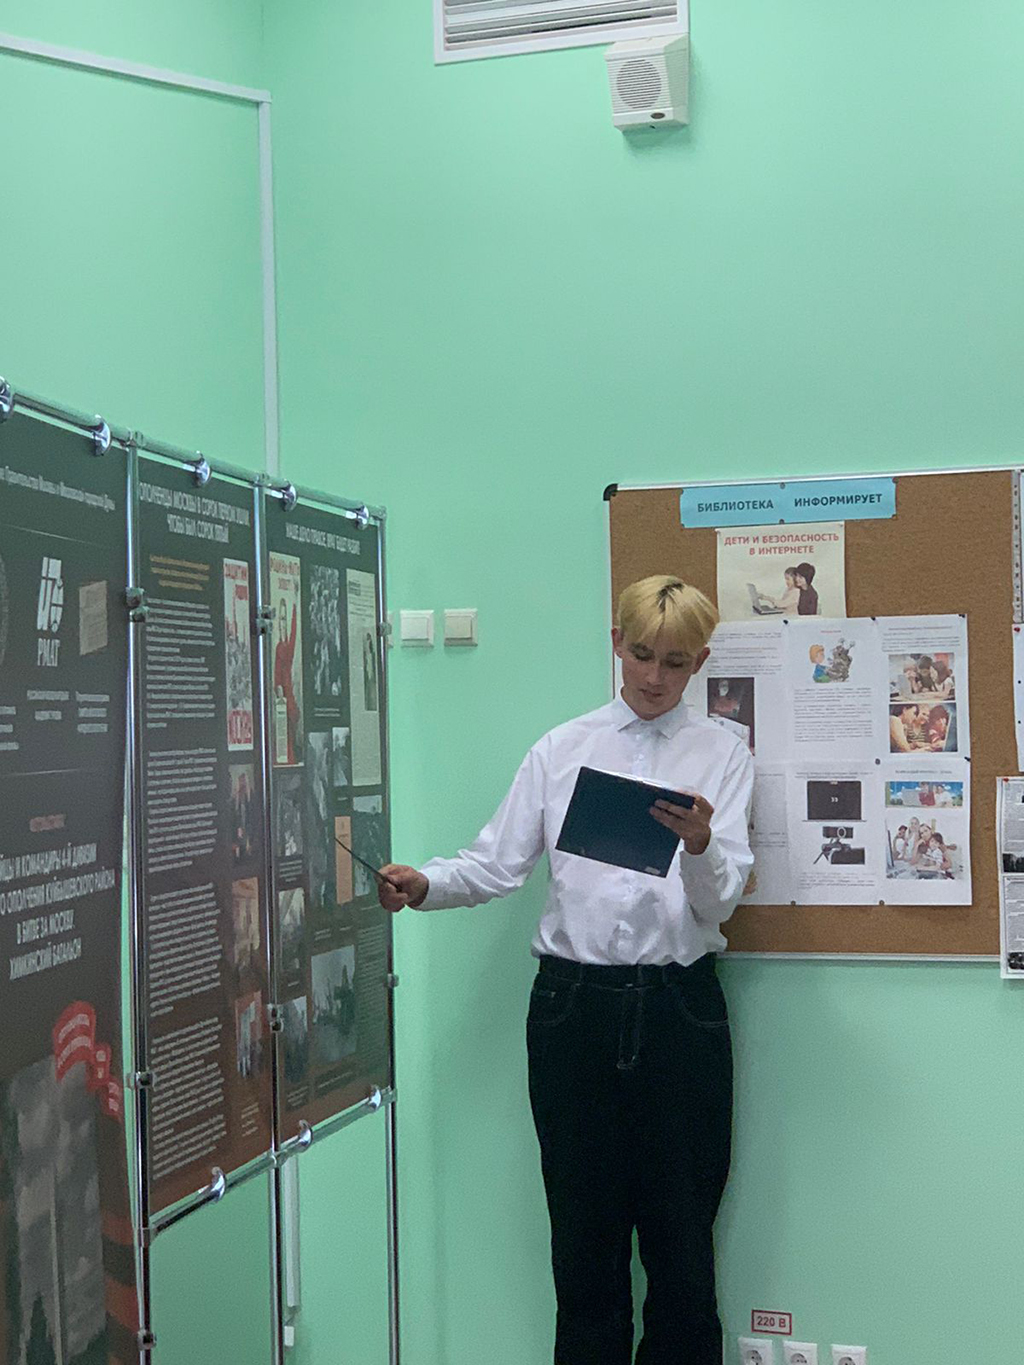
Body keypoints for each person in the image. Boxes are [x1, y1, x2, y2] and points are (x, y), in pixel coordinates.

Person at [378, 575, 754, 1365]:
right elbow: (495, 862)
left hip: (678, 1008)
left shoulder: (723, 753)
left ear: (699, 663)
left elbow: (719, 904)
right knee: (583, 1244)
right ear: (616, 643)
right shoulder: (562, 749)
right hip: (573, 1007)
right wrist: (425, 884)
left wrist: (699, 844)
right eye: (642, 654)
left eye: (675, 662)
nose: (654, 677)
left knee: (683, 1248)